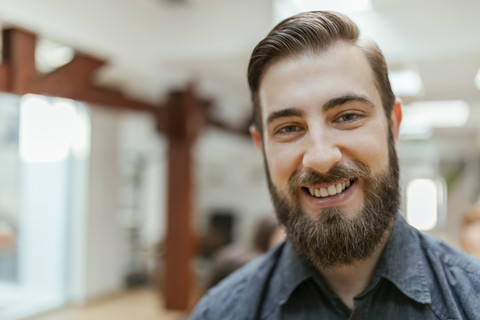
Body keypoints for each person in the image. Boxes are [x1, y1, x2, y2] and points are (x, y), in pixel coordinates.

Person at [191, 11, 480, 319]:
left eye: (347, 116)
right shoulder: (219, 313)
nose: (320, 157)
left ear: (392, 126)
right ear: (262, 148)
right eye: (288, 128)